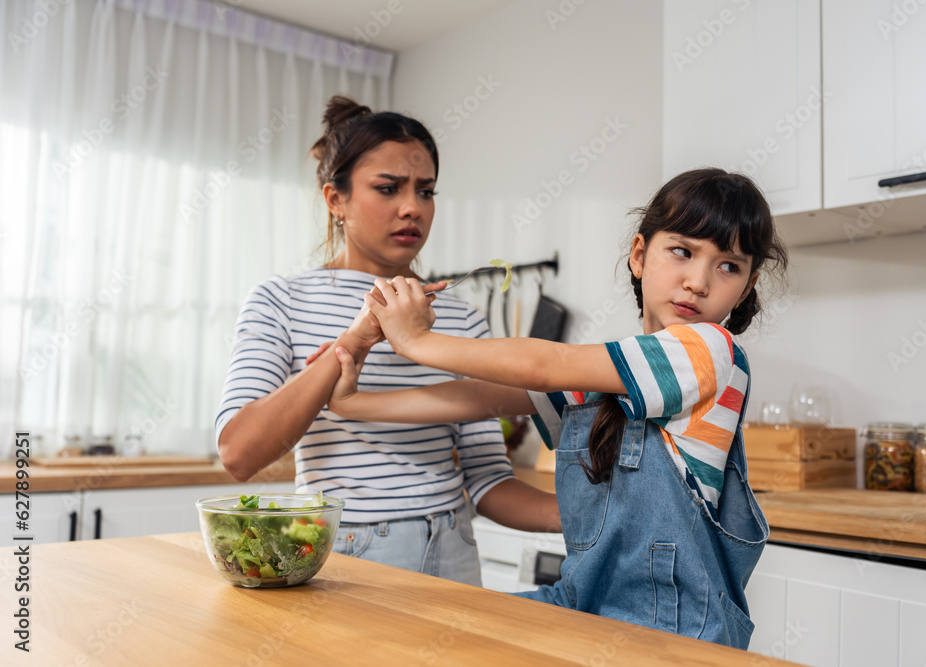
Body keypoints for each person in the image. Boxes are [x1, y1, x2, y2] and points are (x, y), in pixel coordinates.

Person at [321, 168, 788, 649]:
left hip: (676, 634)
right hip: (586, 605)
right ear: (639, 256)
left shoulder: (711, 351)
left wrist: (416, 340)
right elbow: (478, 399)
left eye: (728, 266)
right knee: (441, 628)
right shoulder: (610, 375)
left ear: (747, 286)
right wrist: (356, 404)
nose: (698, 281)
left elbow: (547, 364)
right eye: (683, 251)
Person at [215, 96, 559, 587]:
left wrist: (592, 517)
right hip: (345, 554)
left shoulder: (462, 317)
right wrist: (356, 340)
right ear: (336, 200)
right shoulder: (281, 300)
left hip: (453, 549)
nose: (411, 207)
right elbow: (239, 452)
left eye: (426, 191)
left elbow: (487, 481)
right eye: (388, 188)